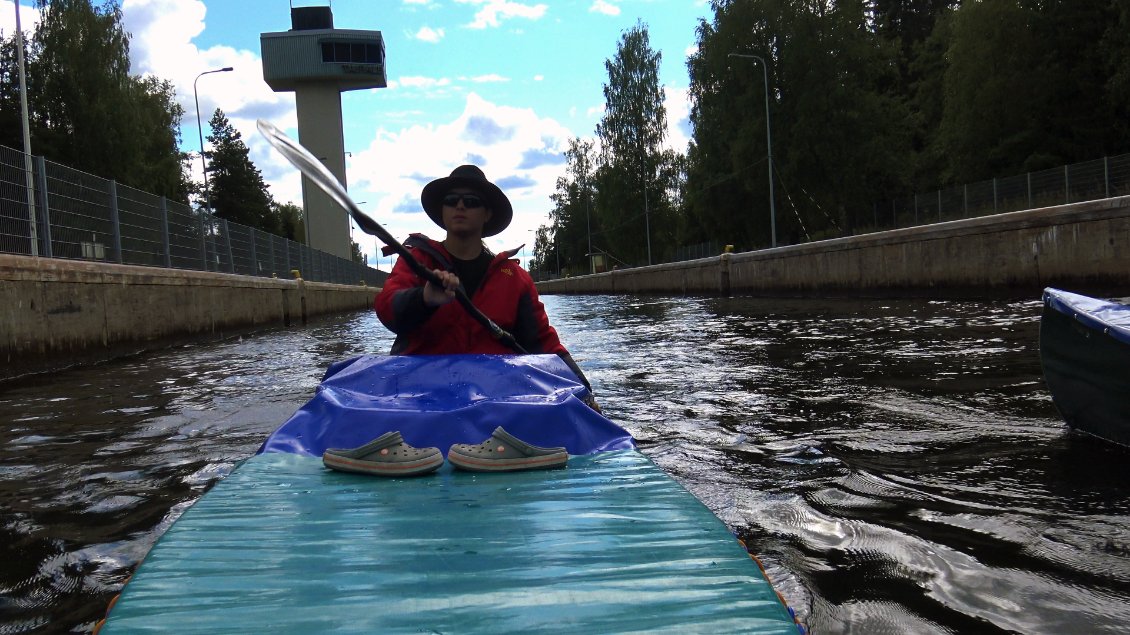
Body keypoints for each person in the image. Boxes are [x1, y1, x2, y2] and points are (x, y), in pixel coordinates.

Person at [374, 164, 597, 404]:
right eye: (451, 200)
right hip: (421, 398)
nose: (459, 206)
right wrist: (424, 299)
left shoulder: (515, 279)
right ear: (443, 210)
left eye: (471, 201)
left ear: (487, 214)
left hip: (496, 401)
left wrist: (585, 392)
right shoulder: (416, 261)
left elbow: (543, 344)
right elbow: (387, 309)